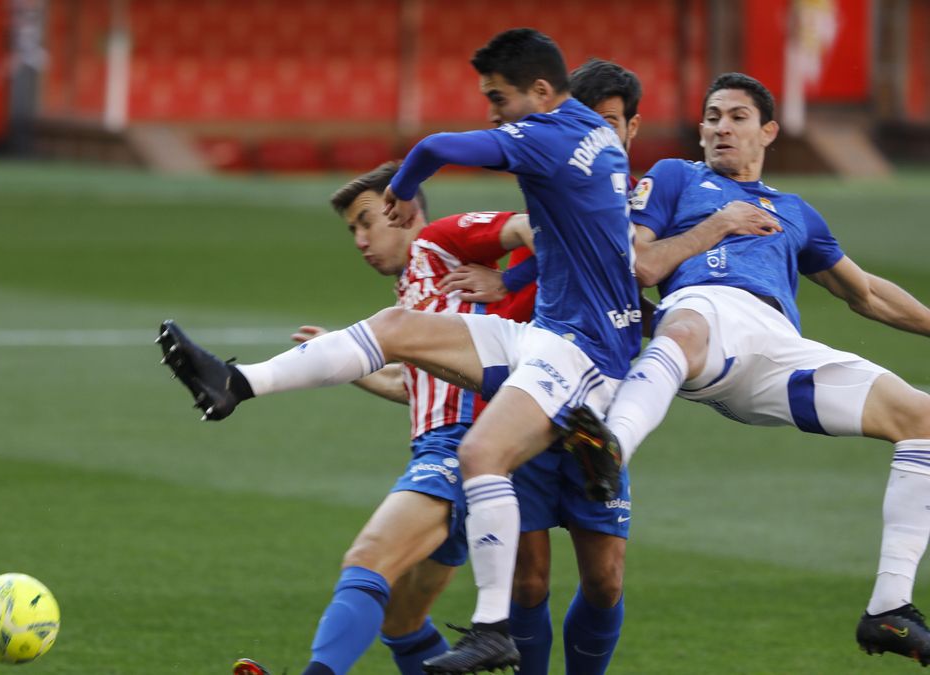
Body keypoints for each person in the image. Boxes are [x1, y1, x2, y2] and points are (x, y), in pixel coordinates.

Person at [161, 28, 643, 673]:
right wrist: (516, 281)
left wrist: (407, 181)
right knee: (395, 327)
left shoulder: (545, 138)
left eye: (498, 98)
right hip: (551, 342)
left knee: (477, 461)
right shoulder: (593, 135)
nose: (493, 112)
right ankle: (236, 382)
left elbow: (438, 147)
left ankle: (491, 627)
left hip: (580, 358)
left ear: (540, 90)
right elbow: (567, 234)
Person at [563, 72, 930, 665]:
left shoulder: (796, 212)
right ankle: (609, 449)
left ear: (768, 131)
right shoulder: (677, 178)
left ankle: (889, 609)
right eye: (711, 116)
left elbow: (866, 294)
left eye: (735, 116)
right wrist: (719, 225)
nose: (719, 127)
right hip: (706, 312)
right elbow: (642, 265)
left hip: (779, 350)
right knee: (686, 324)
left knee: (921, 417)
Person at [236, 162, 537, 675]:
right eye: (352, 229)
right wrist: (347, 364)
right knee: (401, 620)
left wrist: (508, 277)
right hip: (453, 452)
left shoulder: (442, 249)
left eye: (366, 221)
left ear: (404, 211)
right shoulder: (415, 291)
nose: (359, 239)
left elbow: (537, 227)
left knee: (367, 558)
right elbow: (415, 385)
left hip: (461, 450)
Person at [430, 58, 646, 675]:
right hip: (526, 398)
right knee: (527, 583)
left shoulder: (639, 209)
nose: (594, 135)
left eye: (609, 123)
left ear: (632, 129)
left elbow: (646, 278)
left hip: (591, 415)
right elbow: (538, 243)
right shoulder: (555, 186)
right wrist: (508, 277)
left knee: (604, 580)